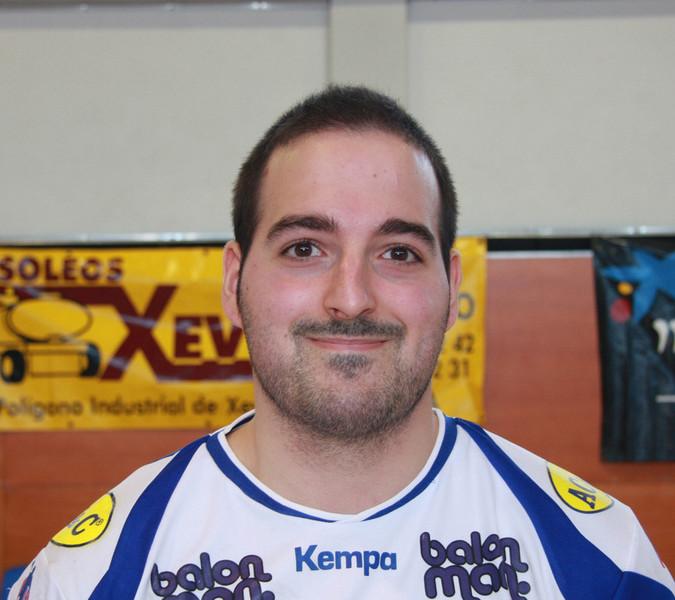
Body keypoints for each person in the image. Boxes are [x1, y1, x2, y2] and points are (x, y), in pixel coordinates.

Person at [9, 85, 675, 600]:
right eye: (304, 248)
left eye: (398, 252)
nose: (351, 298)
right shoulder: (92, 575)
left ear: (452, 287)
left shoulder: (603, 562)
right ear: (234, 283)